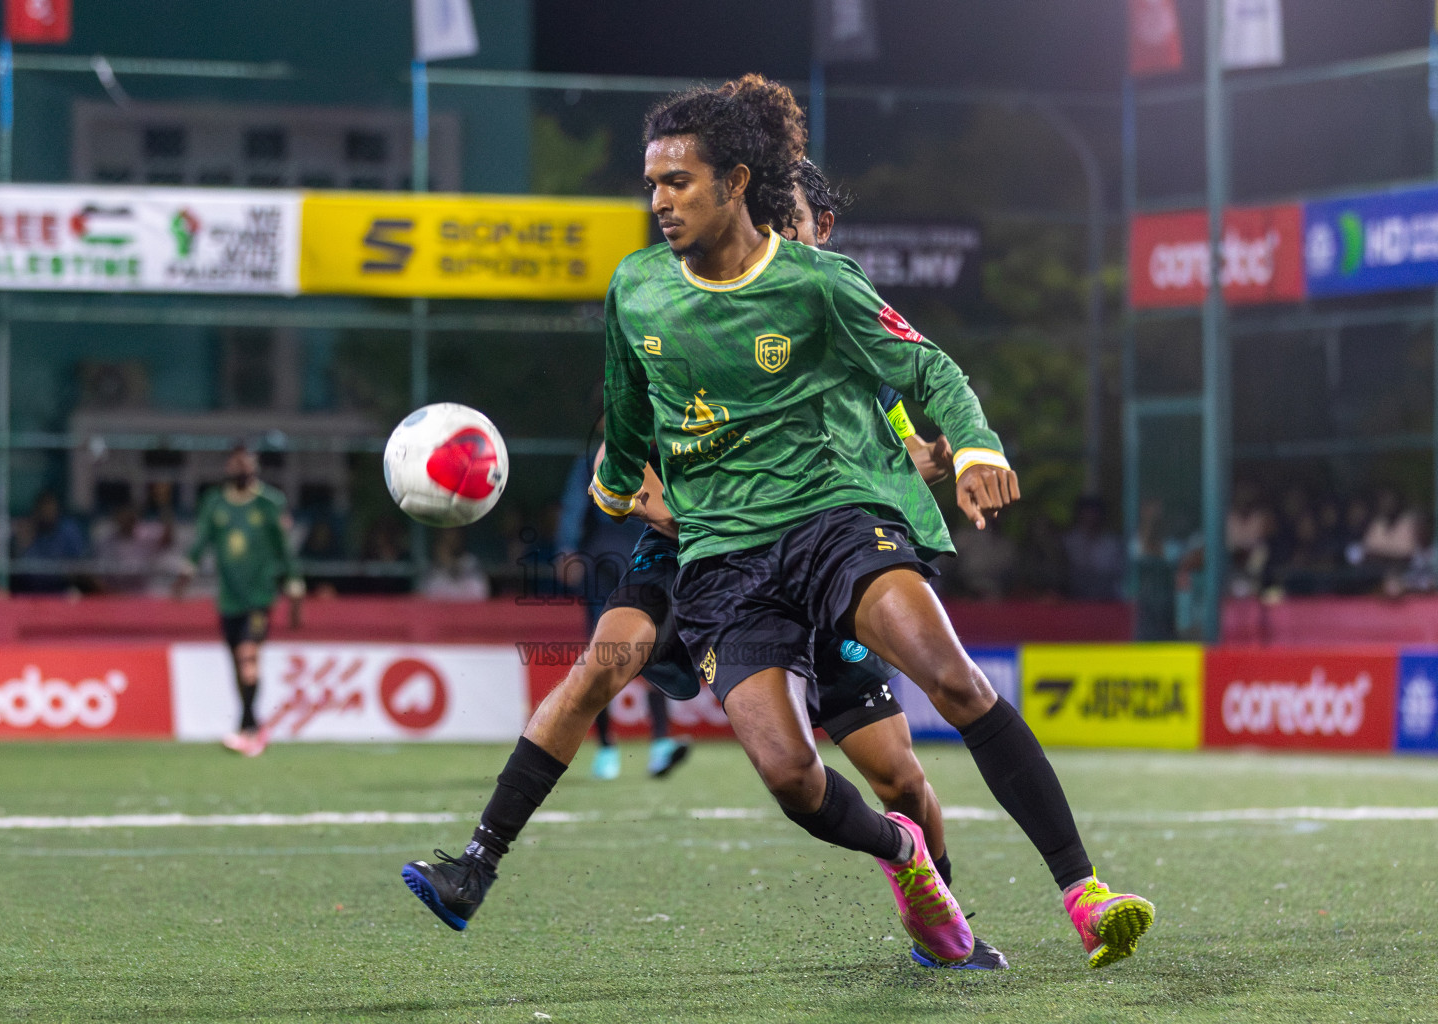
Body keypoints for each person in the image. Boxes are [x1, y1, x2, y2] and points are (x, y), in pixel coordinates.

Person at [586, 75, 1149, 968]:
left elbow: (913, 410)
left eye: (801, 221)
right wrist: (644, 493)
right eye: (782, 218)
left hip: (839, 543)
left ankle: (1037, 903)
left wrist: (960, 454)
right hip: (737, 564)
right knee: (790, 775)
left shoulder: (826, 298)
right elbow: (647, 451)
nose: (793, 235)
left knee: (917, 746)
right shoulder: (677, 314)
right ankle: (917, 878)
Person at [400, 158, 1008, 970]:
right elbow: (631, 465)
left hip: (816, 560)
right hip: (695, 555)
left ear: (819, 231)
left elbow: (890, 452)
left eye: (783, 218)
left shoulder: (835, 326)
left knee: (898, 777)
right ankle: (475, 865)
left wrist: (936, 461)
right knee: (594, 670)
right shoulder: (683, 310)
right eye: (758, 214)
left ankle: (946, 919)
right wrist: (693, 507)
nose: (766, 233)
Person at [555, 408, 691, 780]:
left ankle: (659, 744)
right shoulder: (593, 459)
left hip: (646, 554)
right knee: (605, 652)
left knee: (653, 646)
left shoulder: (653, 454)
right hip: (609, 558)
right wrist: (567, 549)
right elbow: (574, 506)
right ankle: (606, 749)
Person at [174, 444, 304, 757]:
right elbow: (201, 540)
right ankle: (252, 724)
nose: (240, 468)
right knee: (238, 664)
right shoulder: (215, 503)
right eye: (235, 462)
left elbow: (282, 547)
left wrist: (294, 583)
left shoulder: (269, 503)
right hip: (229, 598)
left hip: (259, 596)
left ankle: (248, 730)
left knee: (248, 658)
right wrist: (186, 572)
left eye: (246, 462)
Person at [14, 489, 89, 594]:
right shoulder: (28, 530)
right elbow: (21, 567)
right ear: (37, 510)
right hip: (31, 589)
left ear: (57, 509)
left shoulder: (68, 530)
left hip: (63, 587)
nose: (47, 512)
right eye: (43, 508)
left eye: (50, 508)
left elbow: (79, 564)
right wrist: (24, 542)